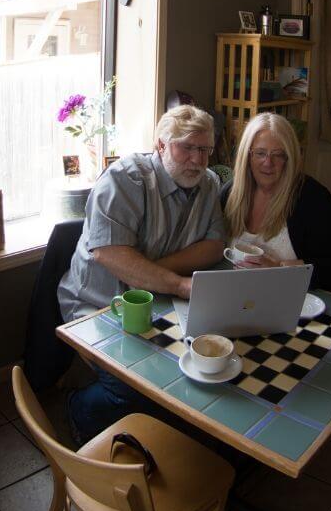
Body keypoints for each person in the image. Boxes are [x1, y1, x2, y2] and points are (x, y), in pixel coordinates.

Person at [58, 104, 225, 442]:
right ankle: (78, 409)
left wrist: (149, 274)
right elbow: (111, 255)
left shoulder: (208, 183)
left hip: (158, 300)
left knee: (209, 365)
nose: (198, 159)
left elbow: (214, 244)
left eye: (205, 149)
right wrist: (176, 283)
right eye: (187, 147)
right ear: (161, 145)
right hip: (99, 306)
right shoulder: (125, 179)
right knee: (131, 388)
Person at [221, 112, 331, 298]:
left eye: (278, 155)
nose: (268, 163)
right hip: (235, 295)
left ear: (290, 158)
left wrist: (279, 269)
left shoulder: (312, 199)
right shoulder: (230, 192)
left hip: (293, 300)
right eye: (260, 153)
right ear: (247, 156)